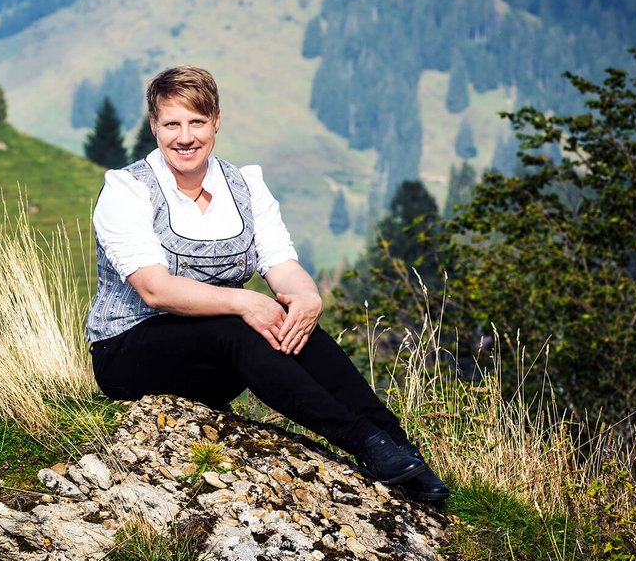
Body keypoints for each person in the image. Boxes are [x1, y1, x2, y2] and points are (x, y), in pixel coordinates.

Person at [86, 66, 448, 505]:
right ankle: (363, 444)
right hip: (129, 355)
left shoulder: (245, 186)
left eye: (197, 122)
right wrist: (244, 301)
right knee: (241, 325)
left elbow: (281, 265)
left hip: (214, 366)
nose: (185, 137)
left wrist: (307, 297)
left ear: (217, 120)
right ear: (154, 127)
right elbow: (155, 289)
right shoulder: (127, 190)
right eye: (172, 124)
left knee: (298, 330)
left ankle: (398, 448)